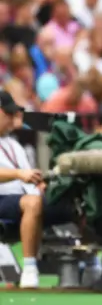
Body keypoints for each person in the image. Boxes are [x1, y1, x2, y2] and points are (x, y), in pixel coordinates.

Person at [0, 91, 44, 288]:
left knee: (73, 198)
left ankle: (89, 264)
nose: (13, 119)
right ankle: (29, 268)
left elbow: (28, 178)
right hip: (4, 197)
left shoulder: (13, 143)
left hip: (22, 198)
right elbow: (21, 174)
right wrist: (18, 174)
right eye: (8, 114)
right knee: (32, 203)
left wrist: (41, 184)